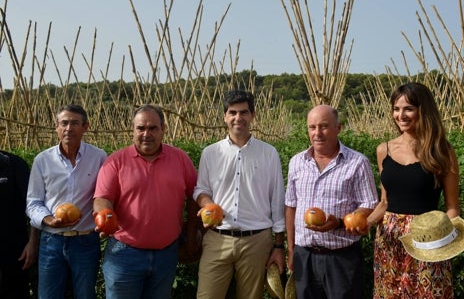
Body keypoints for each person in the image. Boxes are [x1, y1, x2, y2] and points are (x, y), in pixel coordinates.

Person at [364, 82, 460, 298]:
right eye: (396, 109)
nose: (401, 115)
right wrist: (367, 223)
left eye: (408, 108)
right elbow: (385, 202)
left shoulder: (441, 150)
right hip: (389, 241)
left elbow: (453, 207)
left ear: (423, 110)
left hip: (427, 238)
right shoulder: (384, 150)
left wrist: (441, 240)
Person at [93, 104, 198, 299]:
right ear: (133, 130)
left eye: (153, 128)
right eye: (141, 128)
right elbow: (102, 198)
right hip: (125, 254)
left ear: (163, 129)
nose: (146, 134)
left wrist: (191, 237)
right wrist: (105, 214)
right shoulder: (116, 161)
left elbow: (195, 198)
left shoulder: (180, 159)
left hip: (166, 254)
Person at [193, 89, 286, 299]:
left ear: (252, 116)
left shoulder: (268, 153)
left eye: (244, 112)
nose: (238, 118)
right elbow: (201, 189)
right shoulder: (211, 153)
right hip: (218, 238)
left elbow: (277, 200)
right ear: (225, 116)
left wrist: (279, 245)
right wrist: (207, 203)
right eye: (232, 112)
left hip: (257, 241)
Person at [285, 104, 378, 299]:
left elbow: (369, 204)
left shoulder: (357, 162)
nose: (317, 133)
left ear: (339, 128)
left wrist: (343, 221)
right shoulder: (297, 162)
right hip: (305, 255)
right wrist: (291, 250)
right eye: (312, 127)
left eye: (324, 126)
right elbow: (291, 206)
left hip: (341, 257)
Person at [26, 104, 107, 299]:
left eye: (74, 123)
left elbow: (106, 195)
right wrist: (48, 219)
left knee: (85, 294)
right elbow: (33, 202)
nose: (68, 128)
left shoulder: (99, 157)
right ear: (56, 127)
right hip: (51, 240)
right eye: (64, 123)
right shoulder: (43, 160)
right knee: (48, 295)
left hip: (86, 240)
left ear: (85, 127)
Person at [0, 150, 39, 299]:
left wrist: (32, 242)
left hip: (14, 251)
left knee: (15, 291)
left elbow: (33, 205)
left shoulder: (14, 164)